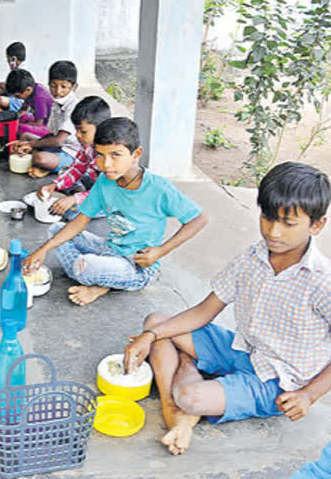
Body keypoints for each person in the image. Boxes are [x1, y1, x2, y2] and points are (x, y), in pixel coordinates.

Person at [123, 162, 331, 456]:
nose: (273, 231)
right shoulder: (253, 257)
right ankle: (179, 408)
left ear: (317, 224)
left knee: (189, 396)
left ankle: (180, 402)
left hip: (278, 381)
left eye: (288, 223)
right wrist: (149, 337)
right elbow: (204, 311)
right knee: (155, 324)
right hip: (242, 348)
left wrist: (309, 394)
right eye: (267, 217)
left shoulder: (323, 281)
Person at [23, 117, 207, 306]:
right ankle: (103, 276)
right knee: (55, 230)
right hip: (110, 248)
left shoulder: (159, 188)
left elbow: (198, 219)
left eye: (115, 155)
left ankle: (100, 282)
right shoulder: (105, 181)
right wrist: (42, 250)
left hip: (138, 264)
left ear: (136, 154)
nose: (106, 164)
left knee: (85, 266)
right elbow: (80, 220)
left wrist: (160, 251)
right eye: (100, 155)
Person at [36, 96, 111, 220]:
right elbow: (77, 168)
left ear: (101, 128)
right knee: (65, 171)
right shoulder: (87, 146)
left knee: (72, 214)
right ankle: (81, 193)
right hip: (95, 186)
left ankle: (81, 196)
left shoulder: (110, 156)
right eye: (76, 130)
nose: (77, 135)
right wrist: (54, 185)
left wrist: (75, 199)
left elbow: (108, 192)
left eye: (83, 131)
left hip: (109, 198)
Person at [12, 60, 80, 178]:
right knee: (25, 137)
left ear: (74, 87)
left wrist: (32, 145)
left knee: (39, 158)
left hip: (71, 153)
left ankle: (44, 166)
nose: (58, 91)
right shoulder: (56, 104)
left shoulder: (73, 106)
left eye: (64, 87)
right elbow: (51, 135)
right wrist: (29, 144)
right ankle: (44, 167)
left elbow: (58, 140)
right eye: (53, 86)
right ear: (49, 84)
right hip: (58, 147)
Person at [0, 41, 27, 112]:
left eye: (8, 58)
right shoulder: (17, 69)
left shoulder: (20, 71)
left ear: (13, 59)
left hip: (21, 102)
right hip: (17, 97)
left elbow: (7, 87)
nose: (7, 61)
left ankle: (1, 118)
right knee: (0, 96)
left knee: (0, 100)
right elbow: (8, 85)